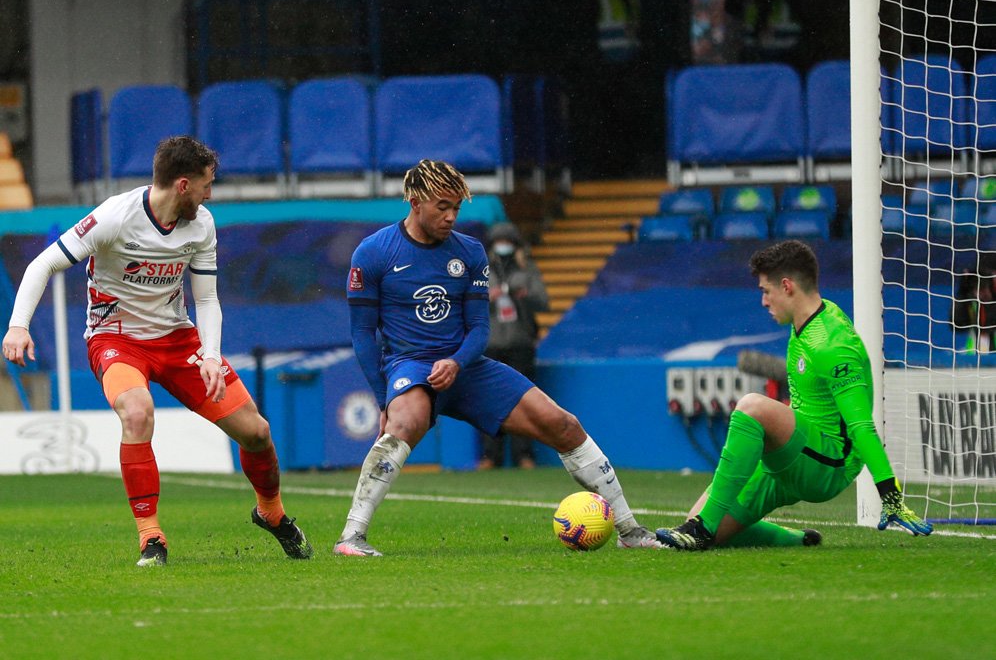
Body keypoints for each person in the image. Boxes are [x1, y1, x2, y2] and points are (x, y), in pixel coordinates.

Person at [2, 136, 312, 566]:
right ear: (183, 184)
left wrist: (209, 354)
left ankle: (272, 514)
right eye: (206, 184)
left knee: (256, 432)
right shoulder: (116, 216)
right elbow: (44, 264)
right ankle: (151, 538)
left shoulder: (202, 223)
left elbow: (205, 300)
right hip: (116, 339)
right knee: (136, 412)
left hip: (177, 339)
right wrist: (18, 327)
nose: (210, 194)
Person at [334, 159, 660, 556]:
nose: (452, 216)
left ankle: (630, 529)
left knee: (563, 424)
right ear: (415, 201)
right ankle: (352, 537)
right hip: (411, 365)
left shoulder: (470, 253)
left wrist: (456, 362)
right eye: (442, 206)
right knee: (406, 421)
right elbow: (363, 333)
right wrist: (384, 397)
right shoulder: (373, 253)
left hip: (467, 365)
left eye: (457, 207)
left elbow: (479, 329)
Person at [655, 240, 933, 550]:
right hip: (793, 454)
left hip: (826, 465)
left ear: (787, 286)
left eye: (766, 291)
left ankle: (701, 528)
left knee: (751, 407)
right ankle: (794, 539)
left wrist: (890, 495)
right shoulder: (805, 321)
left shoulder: (832, 343)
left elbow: (861, 426)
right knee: (706, 524)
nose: (763, 301)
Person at [478, 221, 549, 470]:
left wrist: (524, 295)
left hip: (520, 342)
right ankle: (490, 456)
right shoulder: (482, 269)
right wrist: (489, 297)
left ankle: (524, 455)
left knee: (524, 399)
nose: (503, 246)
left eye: (508, 242)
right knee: (488, 400)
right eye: (500, 241)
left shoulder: (526, 268)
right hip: (490, 343)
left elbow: (544, 302)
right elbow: (467, 303)